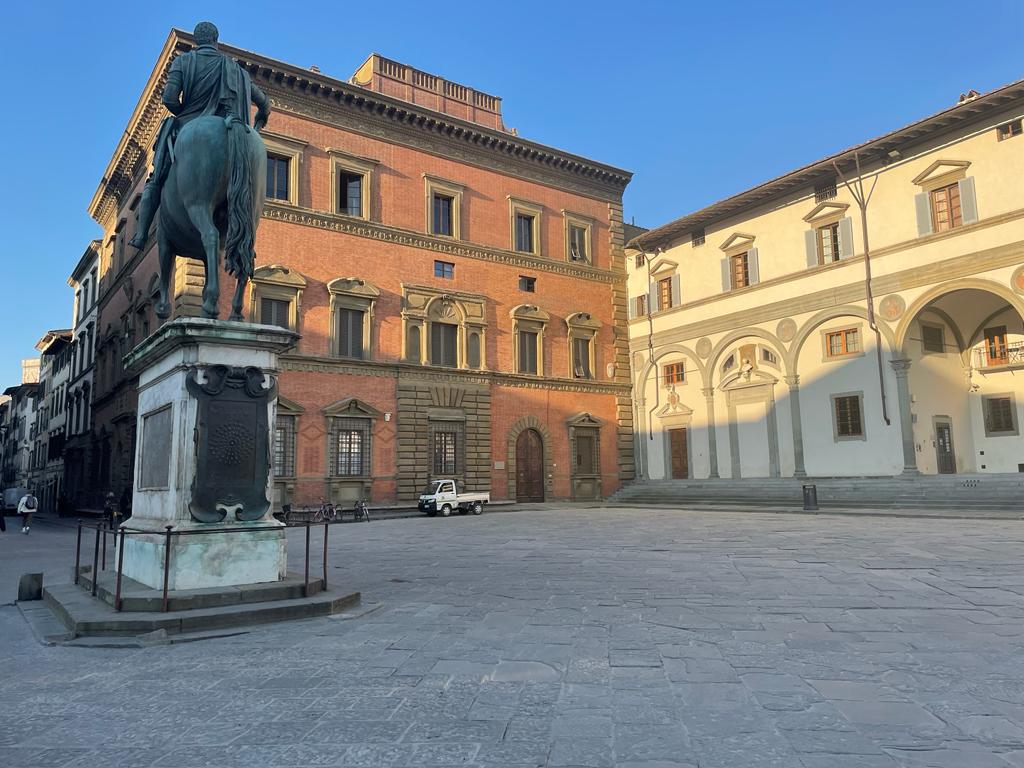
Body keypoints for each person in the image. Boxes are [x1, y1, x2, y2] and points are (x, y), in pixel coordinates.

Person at [129, 21, 270, 251]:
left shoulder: (183, 62)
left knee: (155, 179)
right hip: (231, 125)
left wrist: (185, 113)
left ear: (198, 41)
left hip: (188, 124)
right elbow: (264, 103)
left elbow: (169, 98)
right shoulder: (238, 71)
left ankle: (141, 233)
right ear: (216, 41)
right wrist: (260, 118)